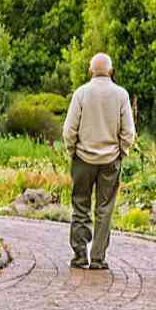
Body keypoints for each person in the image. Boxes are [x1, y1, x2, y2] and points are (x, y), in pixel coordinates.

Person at [62, 53, 136, 270]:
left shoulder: (81, 93)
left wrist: (72, 150)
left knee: (80, 205)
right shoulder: (121, 95)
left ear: (90, 69)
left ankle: (79, 254)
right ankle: (98, 257)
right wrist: (122, 151)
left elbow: (69, 129)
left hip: (83, 158)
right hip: (110, 159)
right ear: (111, 70)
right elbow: (128, 131)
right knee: (105, 209)